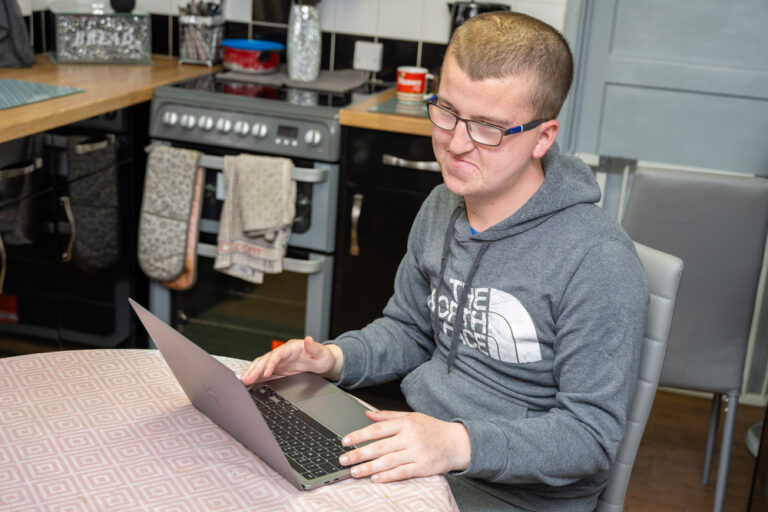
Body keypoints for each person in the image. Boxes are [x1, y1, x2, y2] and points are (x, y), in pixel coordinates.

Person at [243, 11, 649, 512]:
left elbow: (590, 438)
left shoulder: (599, 261)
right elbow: (411, 330)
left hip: (518, 495)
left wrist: (456, 443)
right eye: (448, 112)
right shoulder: (442, 205)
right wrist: (332, 360)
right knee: (258, 473)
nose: (456, 143)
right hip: (426, 447)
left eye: (488, 129)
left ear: (543, 138)